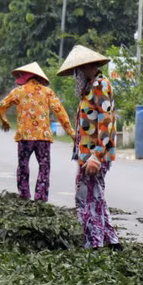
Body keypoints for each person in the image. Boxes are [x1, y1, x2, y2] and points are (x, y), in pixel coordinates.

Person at [57, 45, 122, 251]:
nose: (75, 77)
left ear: (84, 68)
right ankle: (111, 241)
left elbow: (106, 123)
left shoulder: (99, 86)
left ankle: (94, 244)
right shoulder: (89, 89)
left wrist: (95, 156)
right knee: (96, 196)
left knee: (85, 199)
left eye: (76, 72)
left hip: (95, 154)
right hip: (88, 154)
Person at [0, 62, 76, 201]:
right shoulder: (47, 92)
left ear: (26, 76)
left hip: (25, 136)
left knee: (23, 165)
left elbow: (1, 106)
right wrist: (72, 133)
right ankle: (41, 197)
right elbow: (60, 113)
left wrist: (4, 121)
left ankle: (24, 195)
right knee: (44, 166)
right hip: (43, 137)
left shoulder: (18, 91)